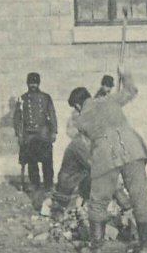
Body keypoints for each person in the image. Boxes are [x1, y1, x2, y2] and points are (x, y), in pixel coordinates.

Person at [70, 66, 147, 253]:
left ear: (76, 105)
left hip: (105, 156)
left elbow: (85, 135)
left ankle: (96, 250)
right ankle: (146, 247)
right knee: (139, 198)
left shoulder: (80, 119)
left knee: (98, 202)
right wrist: (125, 74)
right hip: (132, 150)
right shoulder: (110, 100)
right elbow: (131, 91)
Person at [52, 91, 132, 219]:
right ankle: (128, 208)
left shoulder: (90, 137)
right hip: (70, 190)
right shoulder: (80, 143)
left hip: (82, 181)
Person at [14, 72, 57, 191]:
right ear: (27, 84)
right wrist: (19, 134)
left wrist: (54, 132)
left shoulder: (45, 97)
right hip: (29, 135)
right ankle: (35, 183)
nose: (33, 85)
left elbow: (52, 114)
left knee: (47, 161)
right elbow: (17, 118)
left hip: (43, 134)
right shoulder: (22, 99)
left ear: (39, 83)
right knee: (32, 162)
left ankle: (48, 184)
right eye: (31, 83)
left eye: (35, 83)